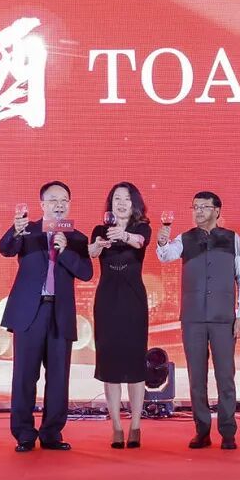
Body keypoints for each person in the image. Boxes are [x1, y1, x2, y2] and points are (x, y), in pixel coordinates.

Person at [0, 181, 93, 452]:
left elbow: (86, 273)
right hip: (29, 311)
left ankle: (52, 433)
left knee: (58, 377)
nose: (59, 205)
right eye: (53, 200)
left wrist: (65, 251)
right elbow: (5, 249)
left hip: (59, 312)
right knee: (24, 376)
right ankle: (24, 433)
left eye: (64, 200)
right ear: (42, 204)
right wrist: (15, 230)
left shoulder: (76, 238)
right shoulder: (27, 230)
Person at [157, 191, 240, 450]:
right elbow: (166, 256)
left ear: (217, 211)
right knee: (196, 378)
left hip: (224, 319)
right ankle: (202, 430)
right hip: (193, 319)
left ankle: (228, 431)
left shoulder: (232, 239)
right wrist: (162, 243)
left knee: (225, 376)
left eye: (204, 207)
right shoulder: (185, 238)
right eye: (195, 207)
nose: (198, 211)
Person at [88, 182, 152, 449]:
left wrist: (123, 235)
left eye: (126, 199)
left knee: (135, 364)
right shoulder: (100, 229)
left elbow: (139, 242)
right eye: (116, 198)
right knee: (110, 363)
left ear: (134, 203)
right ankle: (115, 426)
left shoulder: (142, 228)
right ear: (110, 204)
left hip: (133, 300)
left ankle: (135, 425)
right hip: (107, 301)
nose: (121, 203)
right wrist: (97, 245)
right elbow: (91, 253)